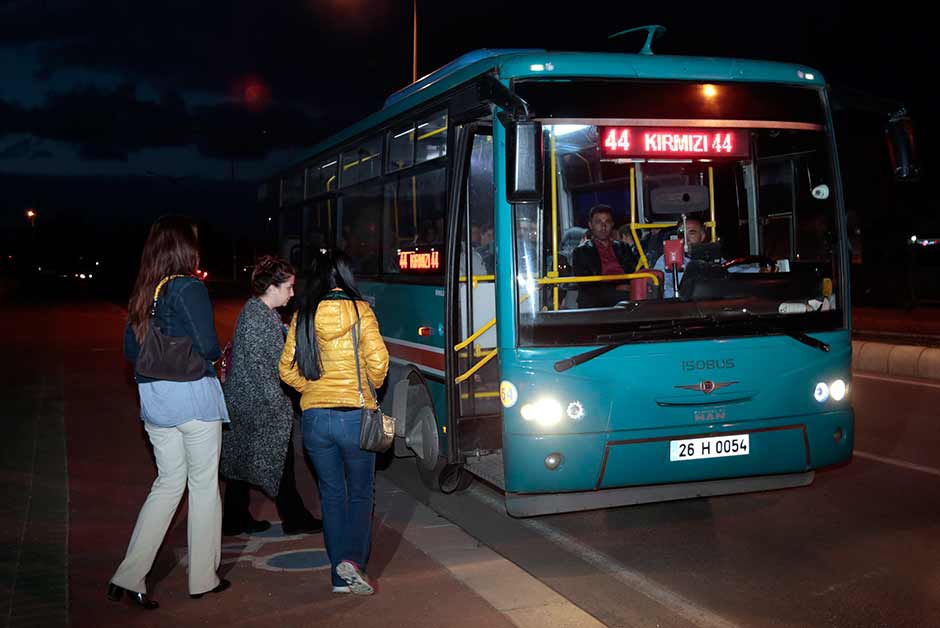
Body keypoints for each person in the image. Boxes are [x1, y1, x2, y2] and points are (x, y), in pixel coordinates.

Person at [109, 215, 230, 609]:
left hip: (155, 401)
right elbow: (209, 346)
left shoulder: (144, 291)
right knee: (203, 486)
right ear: (184, 248)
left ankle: (129, 575)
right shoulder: (189, 287)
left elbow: (131, 351)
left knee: (167, 484)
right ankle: (203, 577)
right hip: (193, 398)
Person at [279, 250, 389, 596]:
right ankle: (353, 562)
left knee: (331, 494)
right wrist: (365, 387)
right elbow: (380, 363)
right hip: (354, 416)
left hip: (315, 421)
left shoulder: (304, 315)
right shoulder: (361, 312)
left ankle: (339, 575)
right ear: (345, 276)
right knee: (360, 493)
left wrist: (311, 390)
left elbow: (286, 369)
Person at [220, 256, 323, 537]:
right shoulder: (258, 319)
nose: (292, 293)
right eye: (289, 287)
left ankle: (234, 519)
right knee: (280, 462)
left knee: (242, 465)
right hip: (257, 405)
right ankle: (295, 518)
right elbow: (263, 370)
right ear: (273, 287)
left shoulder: (260, 313)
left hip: (247, 404)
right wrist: (280, 406)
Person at [571, 204, 638, 308]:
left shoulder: (623, 247)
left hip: (626, 293)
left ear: (612, 224)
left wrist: (630, 286)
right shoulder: (581, 251)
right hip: (597, 297)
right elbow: (585, 283)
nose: (603, 226)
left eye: (607, 222)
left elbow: (634, 270)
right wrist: (615, 288)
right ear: (590, 225)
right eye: (598, 222)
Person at [652, 217, 707, 297]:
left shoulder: (713, 257)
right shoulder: (666, 259)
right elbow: (663, 288)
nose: (686, 239)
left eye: (692, 233)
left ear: (702, 236)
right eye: (682, 233)